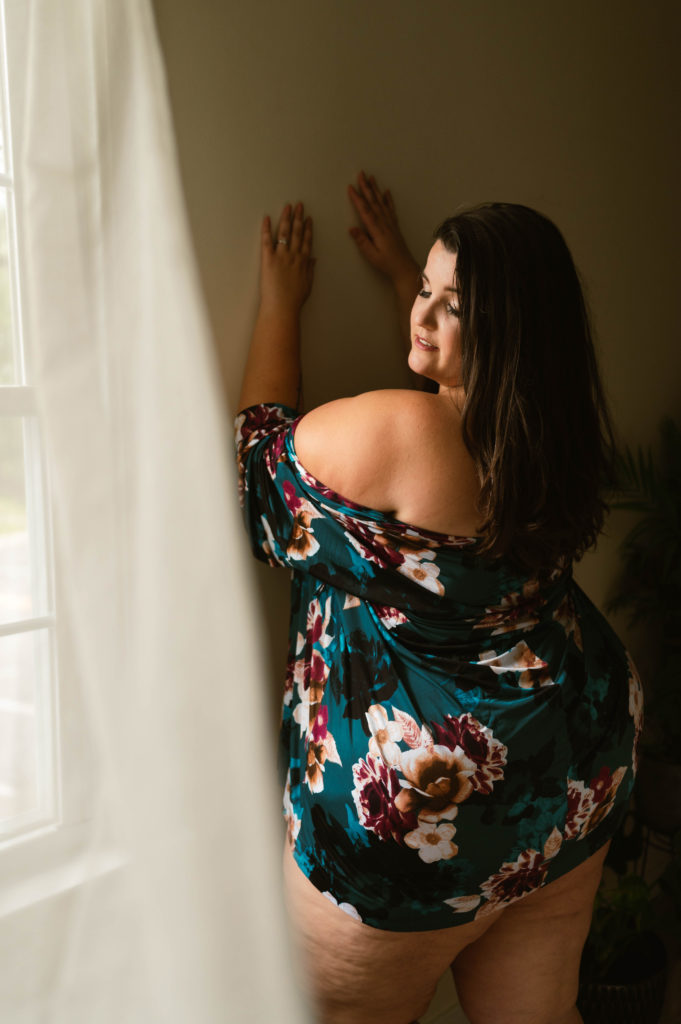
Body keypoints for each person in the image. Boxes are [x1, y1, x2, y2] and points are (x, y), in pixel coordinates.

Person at [235, 172, 642, 1024]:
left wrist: (279, 302)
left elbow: (260, 477)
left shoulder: (396, 433)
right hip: (568, 767)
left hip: (425, 812)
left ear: (506, 331)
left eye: (452, 307)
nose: (421, 317)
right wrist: (408, 287)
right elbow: (452, 413)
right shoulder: (550, 432)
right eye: (423, 289)